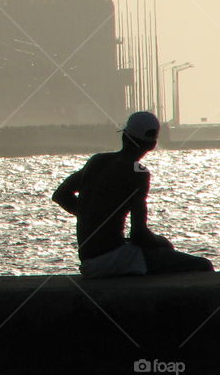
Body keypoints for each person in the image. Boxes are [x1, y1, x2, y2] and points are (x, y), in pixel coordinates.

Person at [53, 111, 213, 278]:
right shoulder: (138, 173)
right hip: (114, 259)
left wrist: (91, 217)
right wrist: (162, 242)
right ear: (152, 144)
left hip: (88, 261)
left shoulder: (97, 161)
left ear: (124, 136)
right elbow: (139, 235)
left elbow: (61, 195)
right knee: (203, 265)